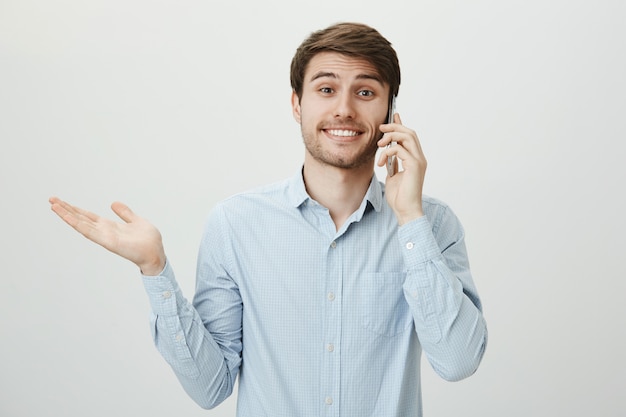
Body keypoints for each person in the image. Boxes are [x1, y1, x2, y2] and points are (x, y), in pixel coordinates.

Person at [50, 22, 487, 416]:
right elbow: (210, 387)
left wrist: (409, 218)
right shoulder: (235, 224)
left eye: (366, 92)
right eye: (326, 89)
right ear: (297, 105)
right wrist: (155, 269)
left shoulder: (432, 226)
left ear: (391, 112)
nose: (345, 110)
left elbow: (457, 361)